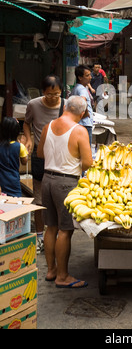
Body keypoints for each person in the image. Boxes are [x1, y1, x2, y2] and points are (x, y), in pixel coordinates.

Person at [37, 96, 93, 289]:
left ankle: (51, 270)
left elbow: (40, 153)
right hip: (66, 183)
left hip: (47, 180)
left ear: (65, 107)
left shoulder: (48, 126)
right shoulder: (79, 130)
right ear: (83, 113)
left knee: (50, 227)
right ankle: (62, 276)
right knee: (65, 230)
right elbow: (87, 163)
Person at [23, 75, 65, 253]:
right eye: (49, 95)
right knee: (39, 200)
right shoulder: (33, 104)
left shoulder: (66, 104)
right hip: (40, 158)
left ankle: (55, 234)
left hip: (61, 158)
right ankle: (40, 236)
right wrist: (28, 139)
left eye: (56, 94)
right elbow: (26, 123)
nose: (53, 98)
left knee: (58, 198)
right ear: (43, 93)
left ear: (61, 92)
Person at [0, 117, 28, 197]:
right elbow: (24, 162)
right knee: (16, 202)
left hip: (2, 181)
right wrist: (24, 146)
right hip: (14, 181)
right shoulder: (20, 146)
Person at [71, 65, 93, 145]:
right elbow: (82, 101)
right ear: (80, 77)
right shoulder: (82, 89)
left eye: (90, 75)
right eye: (87, 75)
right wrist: (86, 113)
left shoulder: (76, 88)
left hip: (78, 123)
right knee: (86, 150)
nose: (90, 77)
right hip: (85, 124)